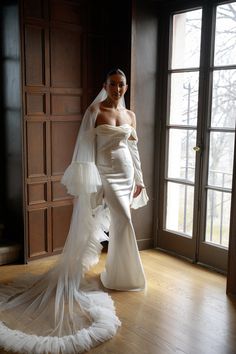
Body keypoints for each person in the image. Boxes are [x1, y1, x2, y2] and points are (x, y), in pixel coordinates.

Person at [0, 69, 148, 354]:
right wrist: (92, 183)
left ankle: (117, 274)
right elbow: (86, 149)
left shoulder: (130, 116)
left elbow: (134, 151)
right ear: (104, 86)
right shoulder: (95, 110)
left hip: (127, 173)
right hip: (105, 174)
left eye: (121, 85)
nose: (117, 89)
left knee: (120, 223)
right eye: (112, 84)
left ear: (126, 87)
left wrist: (140, 180)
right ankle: (126, 275)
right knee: (124, 221)